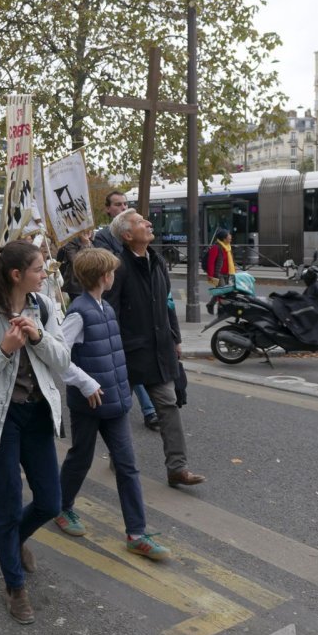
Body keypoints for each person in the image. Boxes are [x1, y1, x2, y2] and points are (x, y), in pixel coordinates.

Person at [0, 241, 70, 625]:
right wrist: (4, 350)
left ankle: (13, 540)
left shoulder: (45, 307)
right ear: (16, 275)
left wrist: (37, 338)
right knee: (8, 502)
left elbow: (63, 359)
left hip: (38, 415)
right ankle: (15, 585)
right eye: (39, 269)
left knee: (50, 503)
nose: (45, 274)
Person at [54, 248, 170, 561]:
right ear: (104, 276)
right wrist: (86, 383)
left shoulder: (105, 307)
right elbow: (58, 358)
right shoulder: (79, 311)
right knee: (81, 457)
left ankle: (136, 533)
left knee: (128, 465)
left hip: (114, 401)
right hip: (89, 403)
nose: (114, 276)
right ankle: (62, 507)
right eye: (112, 272)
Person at [105, 209, 205, 488]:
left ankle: (177, 468)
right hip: (127, 352)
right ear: (127, 235)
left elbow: (167, 303)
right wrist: (113, 347)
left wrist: (175, 338)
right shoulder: (118, 267)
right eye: (140, 223)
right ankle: (119, 457)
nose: (148, 224)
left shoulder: (158, 260)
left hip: (159, 351)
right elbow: (110, 311)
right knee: (120, 410)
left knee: (169, 405)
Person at [93, 192, 158, 431]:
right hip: (113, 304)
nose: (123, 207)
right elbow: (104, 266)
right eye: (118, 204)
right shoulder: (102, 238)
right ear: (109, 209)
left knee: (134, 374)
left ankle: (148, 411)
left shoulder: (150, 254)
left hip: (138, 323)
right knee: (125, 376)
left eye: (125, 203)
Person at [56, 229, 94, 300]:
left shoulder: (90, 243)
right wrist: (85, 244)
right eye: (86, 231)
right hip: (76, 284)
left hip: (88, 282)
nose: (89, 232)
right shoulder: (70, 243)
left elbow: (94, 259)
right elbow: (77, 261)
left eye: (90, 230)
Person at [205, 227, 235, 314]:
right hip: (218, 274)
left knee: (220, 291)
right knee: (223, 292)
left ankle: (210, 304)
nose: (231, 237)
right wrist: (210, 276)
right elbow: (210, 263)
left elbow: (231, 261)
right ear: (224, 238)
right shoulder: (216, 247)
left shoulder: (228, 247)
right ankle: (221, 310)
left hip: (227, 273)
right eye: (229, 235)